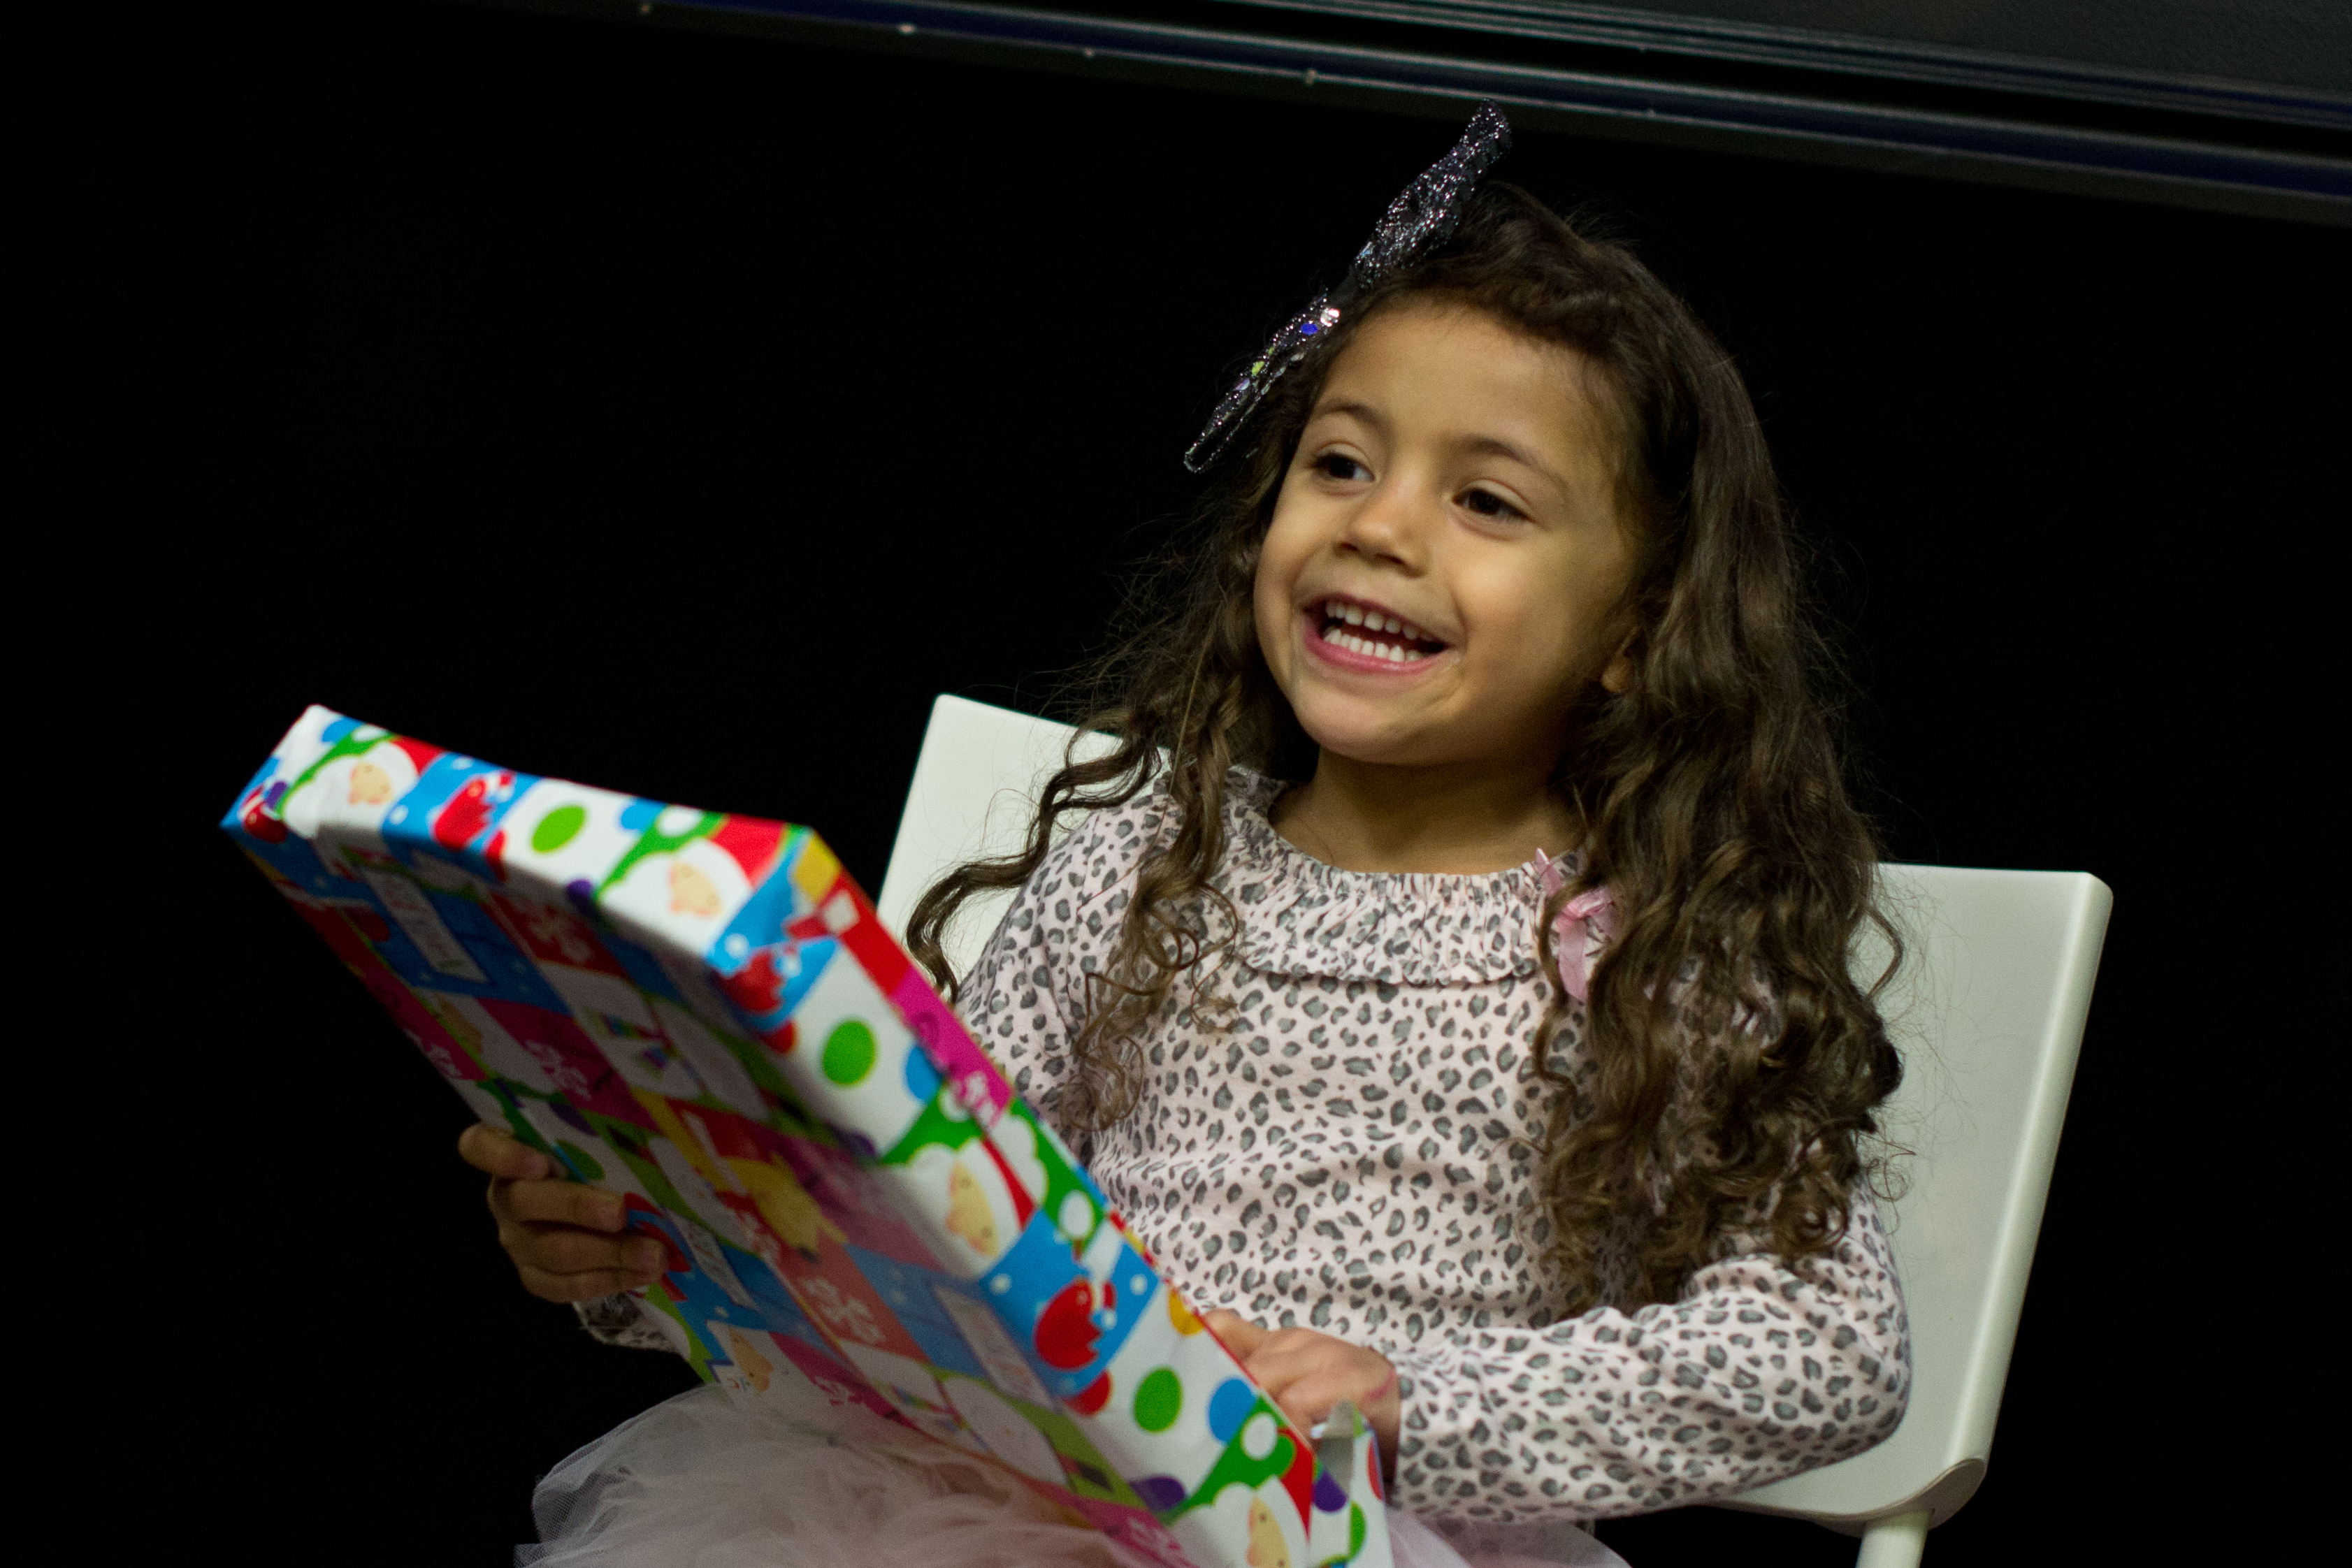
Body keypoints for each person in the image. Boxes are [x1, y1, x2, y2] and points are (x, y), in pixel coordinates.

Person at [465, 106, 1912, 1568]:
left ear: (1640, 630)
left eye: (1485, 499)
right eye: (1340, 463)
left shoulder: (1644, 950)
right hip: (1010, 1508)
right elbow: (940, 1228)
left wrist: (1411, 1404)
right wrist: (651, 1248)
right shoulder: (1142, 864)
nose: (1379, 527)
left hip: (1355, 1535)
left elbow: (1826, 1347)